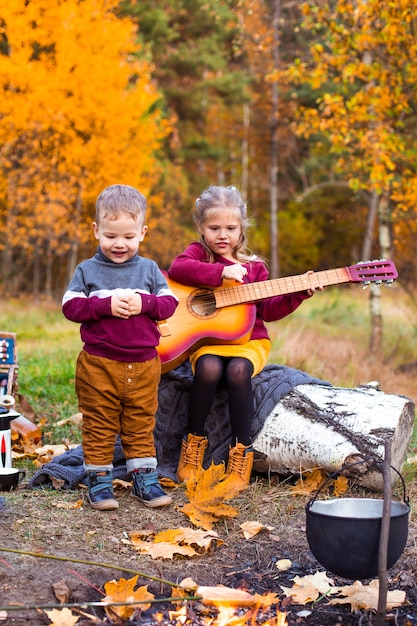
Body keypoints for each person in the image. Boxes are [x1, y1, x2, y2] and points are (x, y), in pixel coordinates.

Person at [168, 185, 322, 491]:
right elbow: (178, 268)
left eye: (230, 228)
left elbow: (268, 310)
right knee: (208, 368)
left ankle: (241, 454)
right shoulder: (199, 254)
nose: (222, 235)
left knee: (238, 371)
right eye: (214, 228)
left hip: (250, 341)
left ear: (242, 228)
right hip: (210, 338)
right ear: (201, 228)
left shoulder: (255, 268)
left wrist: (298, 295)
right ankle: (193, 446)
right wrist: (219, 275)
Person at [62, 184, 178, 511]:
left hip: (144, 365)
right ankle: (99, 480)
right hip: (99, 364)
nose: (119, 244)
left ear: (142, 233)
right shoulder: (87, 270)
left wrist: (144, 302)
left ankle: (143, 476)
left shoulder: (149, 269)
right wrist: (104, 306)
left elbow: (169, 305)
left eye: (128, 236)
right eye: (111, 235)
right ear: (96, 230)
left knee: (141, 422)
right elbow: (70, 307)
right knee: (99, 421)